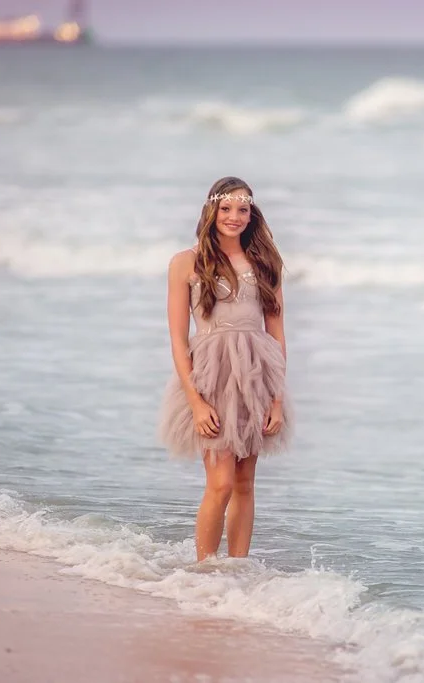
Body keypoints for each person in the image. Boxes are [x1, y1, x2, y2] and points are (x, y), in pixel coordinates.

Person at [159, 176, 291, 562]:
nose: (235, 216)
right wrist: (196, 402)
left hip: (258, 376)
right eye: (227, 208)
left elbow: (277, 334)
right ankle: (204, 571)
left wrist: (277, 399)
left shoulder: (266, 263)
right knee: (219, 484)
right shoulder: (187, 262)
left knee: (245, 483)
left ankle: (238, 572)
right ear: (212, 210)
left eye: (243, 209)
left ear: (252, 215)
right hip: (210, 376)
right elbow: (179, 340)